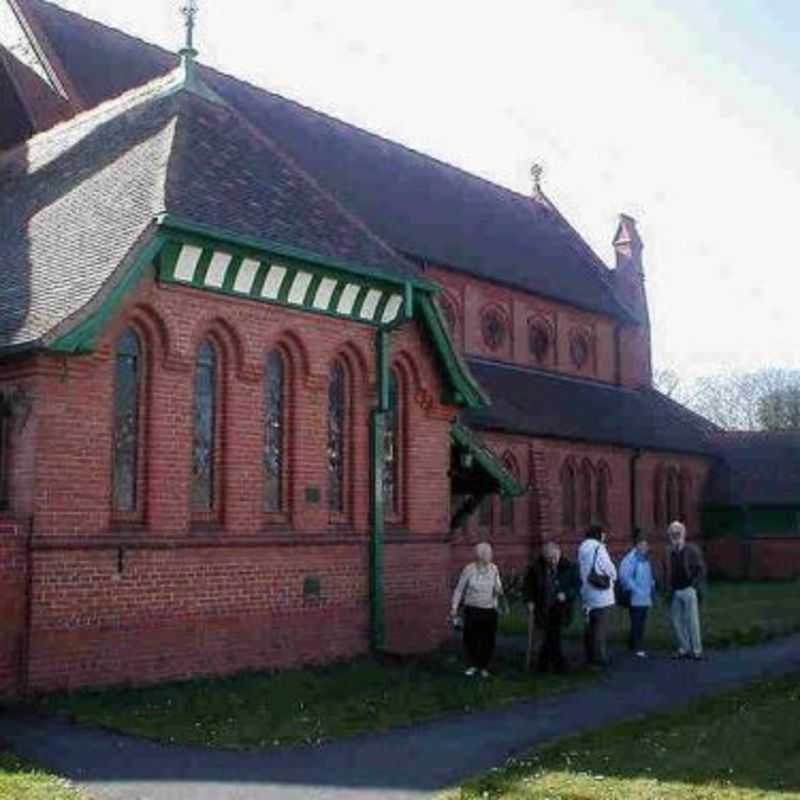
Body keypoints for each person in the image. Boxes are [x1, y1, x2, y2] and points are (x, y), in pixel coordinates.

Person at [522, 541, 579, 673]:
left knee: (552, 635)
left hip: (560, 608)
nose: (553, 561)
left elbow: (576, 586)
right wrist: (529, 601)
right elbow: (528, 587)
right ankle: (555, 664)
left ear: (559, 553)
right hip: (543, 606)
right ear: (544, 557)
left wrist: (566, 594)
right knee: (551, 636)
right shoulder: (536, 568)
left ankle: (547, 664)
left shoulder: (568, 566)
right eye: (549, 559)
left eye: (555, 558)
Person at [450, 542, 504, 678]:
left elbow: (498, 588)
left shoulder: (494, 569)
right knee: (471, 638)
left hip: (489, 609)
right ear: (481, 556)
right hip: (472, 609)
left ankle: (484, 666)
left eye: (491, 553)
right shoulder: (469, 569)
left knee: (488, 639)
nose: (491, 556)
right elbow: (459, 589)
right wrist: (454, 608)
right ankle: (472, 665)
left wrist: (498, 591)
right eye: (488, 553)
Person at [664, 520, 707, 660]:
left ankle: (697, 650)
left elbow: (701, 569)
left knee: (692, 621)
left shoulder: (691, 549)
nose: (675, 536)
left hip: (688, 589)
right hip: (675, 590)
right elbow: (666, 571)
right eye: (672, 533)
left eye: (678, 533)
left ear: (683, 534)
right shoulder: (669, 551)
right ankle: (684, 648)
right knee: (676, 622)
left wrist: (694, 585)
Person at [578, 525, 617, 668]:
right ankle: (599, 659)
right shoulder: (599, 548)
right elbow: (607, 567)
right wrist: (614, 574)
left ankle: (589, 657)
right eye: (603, 534)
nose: (604, 536)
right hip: (601, 594)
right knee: (600, 628)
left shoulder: (582, 548)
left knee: (589, 627)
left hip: (587, 592)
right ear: (599, 535)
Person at [619, 533, 656, 657]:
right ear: (637, 545)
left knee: (641, 621)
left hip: (645, 595)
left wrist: (651, 584)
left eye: (646, 545)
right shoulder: (630, 559)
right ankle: (637, 646)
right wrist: (636, 589)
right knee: (637, 622)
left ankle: (632, 644)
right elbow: (624, 576)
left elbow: (648, 574)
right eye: (643, 545)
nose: (646, 547)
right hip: (635, 596)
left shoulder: (644, 558)